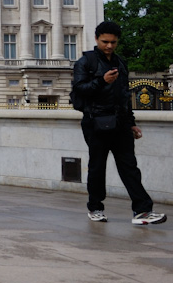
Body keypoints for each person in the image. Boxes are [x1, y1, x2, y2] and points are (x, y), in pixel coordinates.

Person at [71, 21, 167, 225]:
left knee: (130, 166)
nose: (109, 46)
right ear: (96, 39)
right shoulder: (85, 62)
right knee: (97, 167)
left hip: (120, 123)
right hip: (95, 121)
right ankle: (95, 208)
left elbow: (124, 96)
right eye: (105, 42)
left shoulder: (121, 63)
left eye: (113, 42)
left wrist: (131, 123)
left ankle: (142, 211)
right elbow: (79, 90)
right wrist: (101, 81)